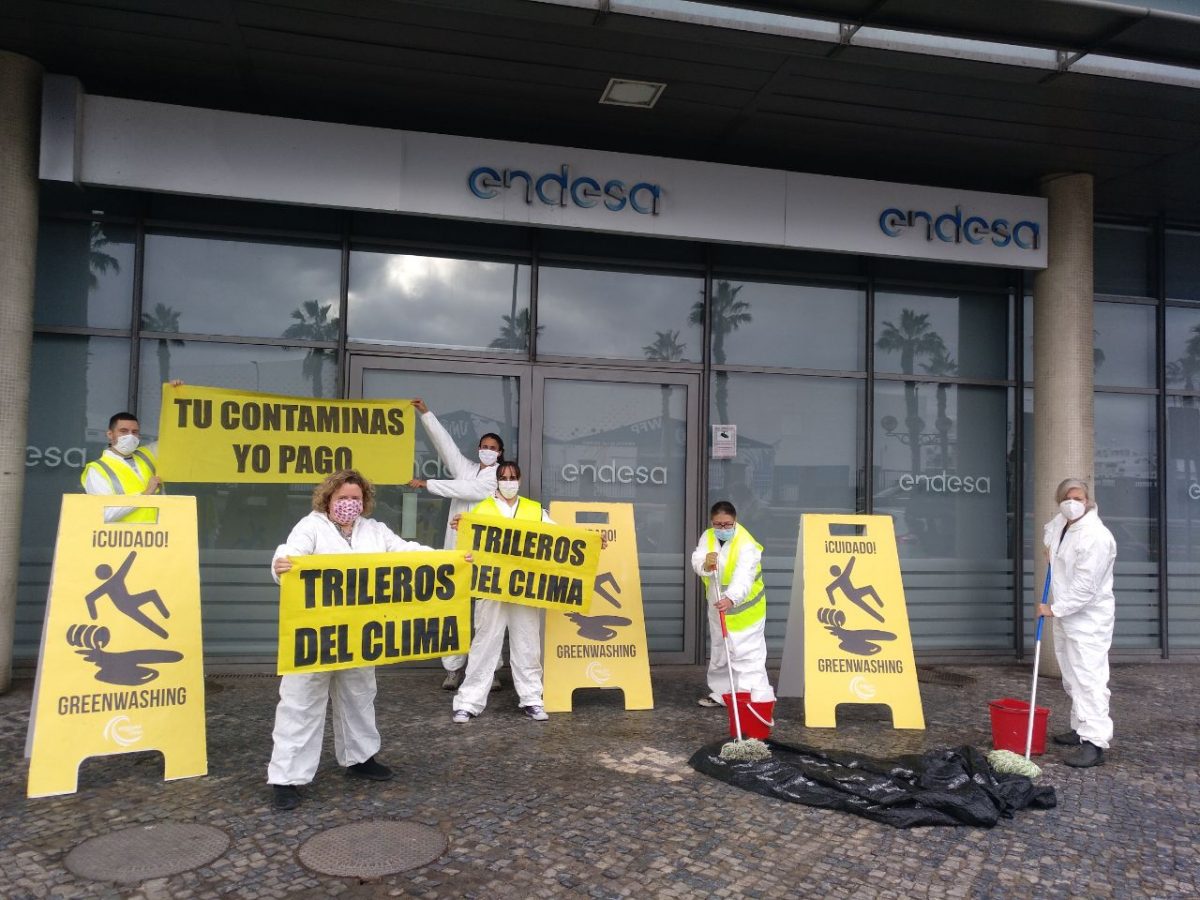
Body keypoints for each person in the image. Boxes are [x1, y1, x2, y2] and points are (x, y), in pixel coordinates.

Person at [267, 469, 436, 810]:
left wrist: (446, 559)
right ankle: (287, 778)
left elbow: (407, 552)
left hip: (358, 633)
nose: (349, 504)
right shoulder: (311, 526)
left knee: (359, 695)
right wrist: (280, 565)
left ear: (365, 501)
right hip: (315, 634)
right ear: (328, 498)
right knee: (300, 701)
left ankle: (360, 758)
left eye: (355, 498)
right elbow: (290, 553)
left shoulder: (374, 531)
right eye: (342, 498)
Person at [408, 398, 502, 691]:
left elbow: (470, 490)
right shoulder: (466, 468)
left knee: (486, 614)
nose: (486, 450)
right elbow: (445, 445)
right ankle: (452, 669)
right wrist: (426, 415)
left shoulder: (498, 478)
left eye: (492, 447)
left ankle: (490, 669)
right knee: (454, 608)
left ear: (500, 453)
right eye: (483, 445)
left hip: (486, 552)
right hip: (457, 551)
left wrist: (428, 484)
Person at [449, 461, 552, 724]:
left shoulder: (534, 510)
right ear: (496, 480)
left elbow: (558, 536)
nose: (508, 481)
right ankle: (468, 702)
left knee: (528, 645)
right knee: (484, 644)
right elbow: (468, 548)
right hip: (491, 589)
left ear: (520, 479)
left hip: (524, 589)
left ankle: (532, 699)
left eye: (513, 477)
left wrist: (592, 540)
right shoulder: (482, 509)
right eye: (504, 477)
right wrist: (462, 527)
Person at [1039, 477, 1117, 768]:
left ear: (1089, 500)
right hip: (1066, 614)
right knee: (1071, 675)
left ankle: (1095, 742)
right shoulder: (1062, 523)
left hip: (1088, 618)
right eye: (1068, 497)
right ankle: (1080, 728)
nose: (1073, 503)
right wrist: (1050, 551)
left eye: (1079, 497)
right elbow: (1049, 536)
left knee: (1089, 678)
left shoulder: (1095, 536)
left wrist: (1054, 609)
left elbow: (1085, 588)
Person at [691, 500, 774, 709]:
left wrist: (731, 598)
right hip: (718, 606)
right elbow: (698, 559)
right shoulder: (708, 536)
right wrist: (705, 564)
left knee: (747, 655)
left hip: (745, 610)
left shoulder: (747, 544)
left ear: (735, 521)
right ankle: (722, 694)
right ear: (712, 522)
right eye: (718, 524)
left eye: (727, 524)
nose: (722, 528)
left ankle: (751, 698)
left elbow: (743, 577)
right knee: (721, 651)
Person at [82, 382, 183, 523]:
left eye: (134, 432)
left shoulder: (146, 455)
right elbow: (104, 514)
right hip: (121, 541)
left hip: (158, 539)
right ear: (110, 434)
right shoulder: (97, 470)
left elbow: (175, 438)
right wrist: (144, 494)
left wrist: (177, 397)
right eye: (123, 431)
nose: (130, 436)